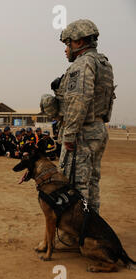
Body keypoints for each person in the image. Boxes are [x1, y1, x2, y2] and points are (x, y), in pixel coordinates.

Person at [40, 19, 115, 214]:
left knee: (74, 184)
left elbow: (78, 100)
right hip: (97, 128)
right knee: (91, 183)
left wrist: (70, 134)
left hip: (82, 131)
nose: (66, 49)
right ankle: (92, 228)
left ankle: (76, 234)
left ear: (79, 42)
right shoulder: (103, 63)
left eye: (68, 43)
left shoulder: (82, 64)